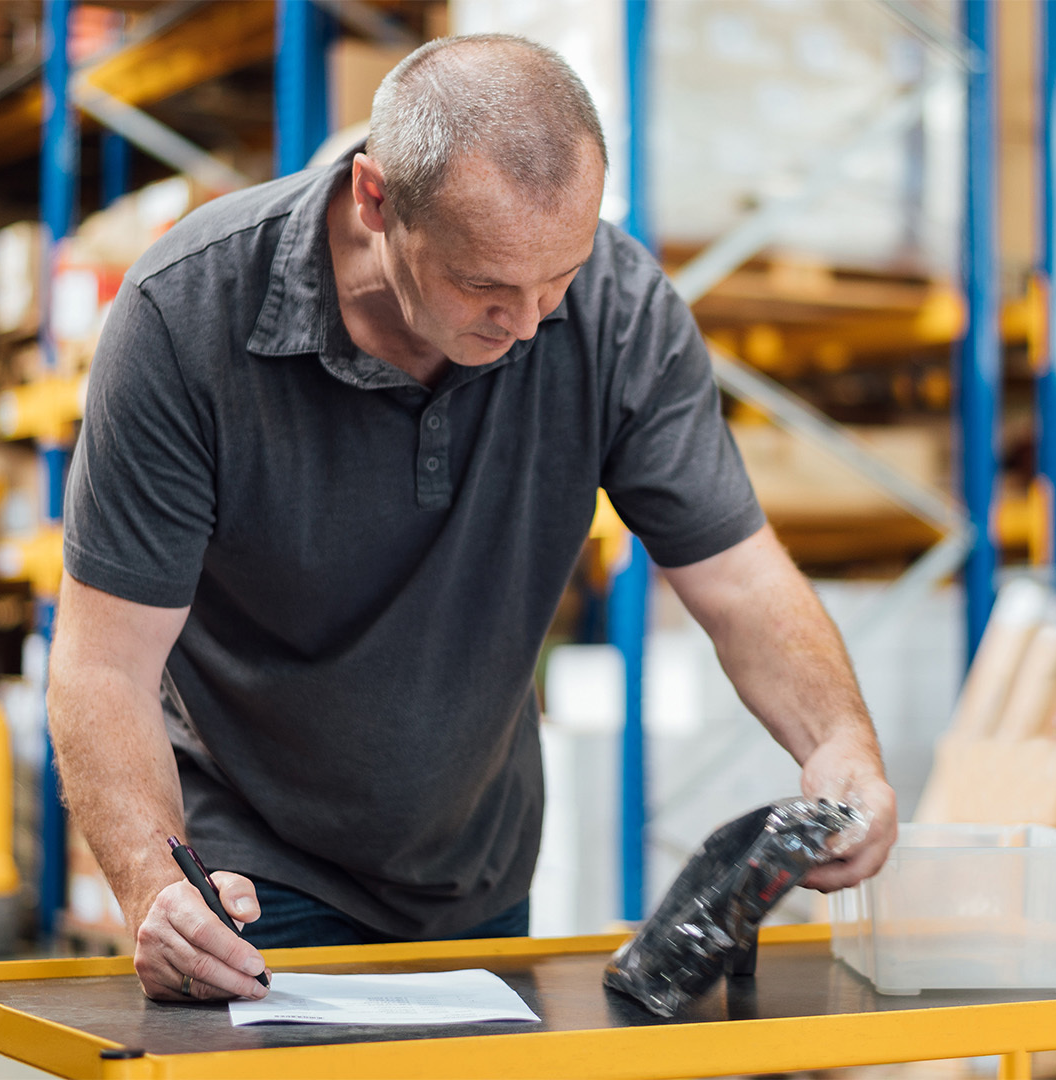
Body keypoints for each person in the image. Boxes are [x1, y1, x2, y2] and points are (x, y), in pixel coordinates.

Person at [48, 33, 896, 1004]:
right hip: (255, 870)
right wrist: (156, 886)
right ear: (375, 200)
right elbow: (104, 661)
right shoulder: (184, 318)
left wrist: (839, 745)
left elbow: (740, 580)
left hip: (476, 873)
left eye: (556, 279)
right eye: (486, 286)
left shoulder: (619, 311)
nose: (530, 323)